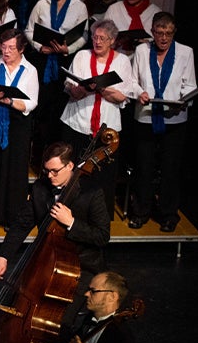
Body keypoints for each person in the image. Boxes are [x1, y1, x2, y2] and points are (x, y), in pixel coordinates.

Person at [0, 142, 111, 281]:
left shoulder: (92, 192)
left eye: (55, 171)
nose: (49, 176)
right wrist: (3, 256)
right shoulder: (40, 188)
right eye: (46, 171)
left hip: (82, 267)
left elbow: (102, 236)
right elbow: (21, 225)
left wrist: (71, 222)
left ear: (70, 166)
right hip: (48, 260)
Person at [60, 19, 140, 216]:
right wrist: (81, 89)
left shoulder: (121, 61)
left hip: (107, 130)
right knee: (75, 172)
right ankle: (70, 214)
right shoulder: (81, 55)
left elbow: (122, 96)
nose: (97, 42)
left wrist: (101, 88)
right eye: (95, 37)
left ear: (112, 40)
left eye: (102, 38)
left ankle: (99, 218)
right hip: (78, 122)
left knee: (103, 175)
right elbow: (70, 87)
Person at [128, 12, 193, 232]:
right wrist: (139, 92)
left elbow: (190, 85)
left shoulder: (185, 52)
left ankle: (167, 214)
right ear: (152, 32)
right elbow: (133, 81)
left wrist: (183, 101)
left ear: (173, 33)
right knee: (143, 167)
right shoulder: (142, 50)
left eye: (168, 33)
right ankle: (140, 212)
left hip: (174, 119)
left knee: (170, 168)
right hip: (146, 115)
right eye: (159, 32)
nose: (163, 38)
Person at [0, 29, 38, 228]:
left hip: (17, 124)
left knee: (15, 170)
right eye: (3, 47)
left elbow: (31, 103)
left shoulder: (30, 70)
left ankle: (12, 217)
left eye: (11, 48)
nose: (6, 51)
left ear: (21, 49)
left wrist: (9, 101)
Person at [25, 0, 89, 148]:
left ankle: (54, 150)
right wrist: (39, 46)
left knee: (57, 107)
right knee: (41, 106)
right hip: (43, 61)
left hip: (64, 61)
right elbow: (29, 29)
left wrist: (67, 49)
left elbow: (84, 35)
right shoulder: (42, 3)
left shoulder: (79, 7)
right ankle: (36, 150)